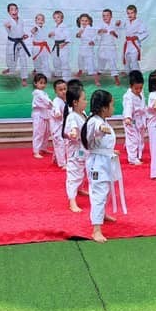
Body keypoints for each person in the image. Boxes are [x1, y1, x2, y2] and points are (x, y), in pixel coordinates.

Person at [82, 89, 126, 243]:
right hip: (97, 164)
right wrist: (100, 129)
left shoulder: (102, 120)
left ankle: (102, 214)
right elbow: (94, 132)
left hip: (104, 160)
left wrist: (110, 151)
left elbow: (100, 143)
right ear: (104, 107)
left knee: (105, 191)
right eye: (112, 105)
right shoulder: (95, 122)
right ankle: (96, 230)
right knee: (98, 194)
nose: (113, 108)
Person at [61, 82, 89, 213]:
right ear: (75, 102)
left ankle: (80, 189)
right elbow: (72, 129)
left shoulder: (83, 114)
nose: (86, 101)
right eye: (84, 99)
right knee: (73, 174)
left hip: (84, 149)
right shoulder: (72, 116)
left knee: (82, 171)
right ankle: (72, 201)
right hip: (76, 151)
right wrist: (72, 132)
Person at [0, 2, 30, 86]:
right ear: (9, 12)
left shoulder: (21, 20)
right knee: (11, 58)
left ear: (18, 10)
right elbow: (8, 29)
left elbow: (20, 30)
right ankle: (10, 68)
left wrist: (24, 35)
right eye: (12, 10)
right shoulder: (7, 22)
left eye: (16, 9)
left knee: (23, 60)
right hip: (12, 42)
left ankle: (24, 78)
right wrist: (8, 26)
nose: (14, 11)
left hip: (21, 42)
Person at [122, 70, 146, 166]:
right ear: (130, 86)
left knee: (140, 138)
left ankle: (138, 155)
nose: (139, 90)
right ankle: (132, 158)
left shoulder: (141, 93)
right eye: (136, 88)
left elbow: (143, 105)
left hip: (140, 119)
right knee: (133, 139)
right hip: (131, 120)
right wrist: (128, 117)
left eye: (141, 88)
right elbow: (128, 107)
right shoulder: (128, 96)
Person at [120, 4, 148, 73]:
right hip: (127, 44)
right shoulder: (126, 21)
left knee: (134, 62)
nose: (130, 15)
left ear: (135, 13)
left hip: (134, 44)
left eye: (132, 13)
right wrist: (117, 24)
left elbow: (146, 33)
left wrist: (137, 36)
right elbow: (120, 27)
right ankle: (129, 75)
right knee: (126, 62)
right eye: (128, 13)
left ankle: (138, 77)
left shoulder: (139, 22)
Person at [96, 8, 121, 86]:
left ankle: (116, 80)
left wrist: (114, 33)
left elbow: (118, 36)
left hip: (111, 48)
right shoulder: (100, 25)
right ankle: (97, 80)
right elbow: (96, 36)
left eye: (107, 15)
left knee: (113, 64)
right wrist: (100, 31)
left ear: (111, 16)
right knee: (101, 65)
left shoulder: (114, 25)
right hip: (102, 48)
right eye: (103, 16)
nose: (105, 17)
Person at [31, 73, 53, 158]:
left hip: (45, 114)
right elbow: (46, 100)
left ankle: (43, 148)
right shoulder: (37, 92)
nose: (43, 85)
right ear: (35, 83)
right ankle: (36, 151)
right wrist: (52, 103)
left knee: (46, 133)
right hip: (38, 115)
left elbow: (47, 102)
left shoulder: (44, 93)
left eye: (44, 83)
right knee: (38, 133)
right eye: (41, 83)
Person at [75, 13, 99, 86]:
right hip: (82, 48)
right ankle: (80, 71)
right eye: (82, 21)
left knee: (91, 64)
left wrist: (92, 41)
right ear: (80, 21)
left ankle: (96, 80)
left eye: (86, 21)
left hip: (89, 49)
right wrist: (79, 33)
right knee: (80, 61)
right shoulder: (81, 29)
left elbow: (96, 37)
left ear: (89, 21)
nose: (84, 22)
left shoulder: (91, 29)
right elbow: (77, 36)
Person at [48, 10, 72, 80]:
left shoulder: (65, 26)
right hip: (56, 45)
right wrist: (50, 35)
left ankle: (66, 77)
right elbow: (54, 37)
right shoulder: (55, 26)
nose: (56, 19)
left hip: (63, 45)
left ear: (62, 18)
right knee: (56, 60)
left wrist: (64, 43)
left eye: (58, 17)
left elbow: (69, 37)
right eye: (54, 18)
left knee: (64, 61)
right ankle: (58, 73)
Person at [50, 79, 68, 168]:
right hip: (57, 127)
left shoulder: (67, 100)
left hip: (64, 126)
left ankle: (55, 158)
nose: (63, 91)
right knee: (60, 143)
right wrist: (57, 113)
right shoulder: (56, 101)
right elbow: (56, 109)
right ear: (56, 91)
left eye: (65, 89)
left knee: (62, 143)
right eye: (60, 90)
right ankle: (62, 163)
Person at [30, 13, 51, 79]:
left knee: (45, 61)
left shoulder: (43, 29)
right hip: (36, 48)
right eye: (38, 19)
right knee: (37, 62)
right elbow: (33, 30)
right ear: (35, 21)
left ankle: (47, 75)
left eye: (42, 20)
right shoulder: (36, 28)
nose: (40, 21)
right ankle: (38, 74)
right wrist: (33, 30)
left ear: (44, 21)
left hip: (44, 48)